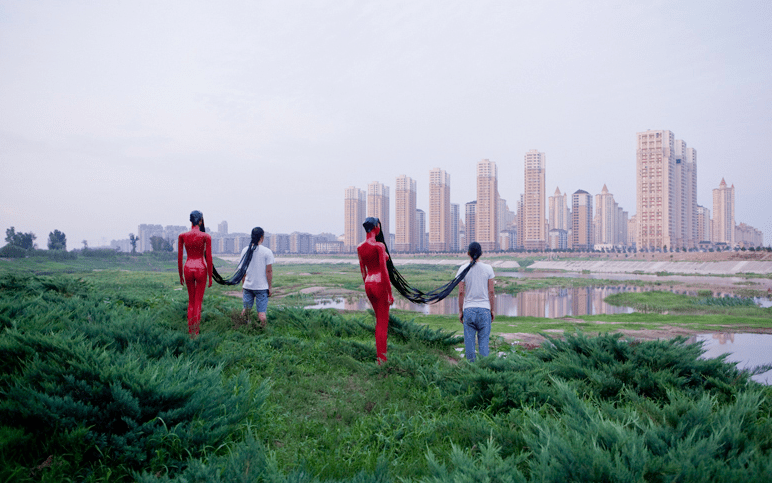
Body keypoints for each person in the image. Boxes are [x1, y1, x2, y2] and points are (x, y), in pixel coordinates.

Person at [357, 217, 394, 364]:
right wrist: (390, 293)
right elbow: (384, 272)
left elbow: (363, 271)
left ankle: (380, 357)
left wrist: (367, 285)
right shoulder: (379, 246)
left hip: (368, 284)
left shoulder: (360, 247)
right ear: (376, 227)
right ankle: (382, 360)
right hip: (379, 284)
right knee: (382, 323)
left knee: (379, 322)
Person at [457, 242, 495, 362]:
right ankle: (483, 372)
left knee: (469, 345)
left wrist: (460, 311)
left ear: (468, 253)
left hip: (468, 309)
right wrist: (492, 310)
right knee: (484, 345)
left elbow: (461, 293)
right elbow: (491, 292)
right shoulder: (488, 268)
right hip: (484, 310)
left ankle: (471, 371)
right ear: (481, 254)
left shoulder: (462, 269)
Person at [177, 210, 213, 338]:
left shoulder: (183, 236)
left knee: (191, 301)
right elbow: (208, 257)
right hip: (201, 269)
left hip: (188, 268)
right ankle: (195, 333)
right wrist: (210, 276)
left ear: (190, 220)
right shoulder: (206, 236)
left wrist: (180, 274)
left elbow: (180, 257)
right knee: (198, 302)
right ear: (201, 221)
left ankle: (190, 331)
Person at [237, 227, 274, 327]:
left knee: (246, 311)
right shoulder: (267, 252)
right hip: (262, 288)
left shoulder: (245, 250)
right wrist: (270, 287)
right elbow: (269, 271)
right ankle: (263, 332)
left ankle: (242, 329)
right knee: (261, 313)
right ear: (262, 237)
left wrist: (243, 284)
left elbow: (242, 271)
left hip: (248, 286)